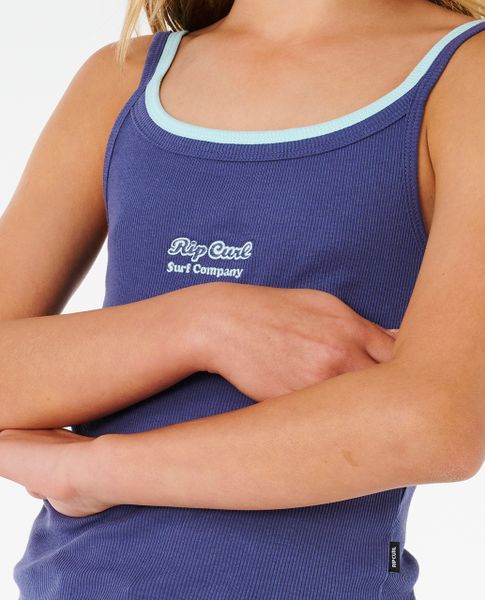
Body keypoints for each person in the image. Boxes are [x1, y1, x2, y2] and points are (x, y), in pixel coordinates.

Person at [1, 0, 484, 598]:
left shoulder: (466, 75)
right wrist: (205, 324)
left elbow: (435, 423)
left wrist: (90, 470)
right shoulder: (122, 78)